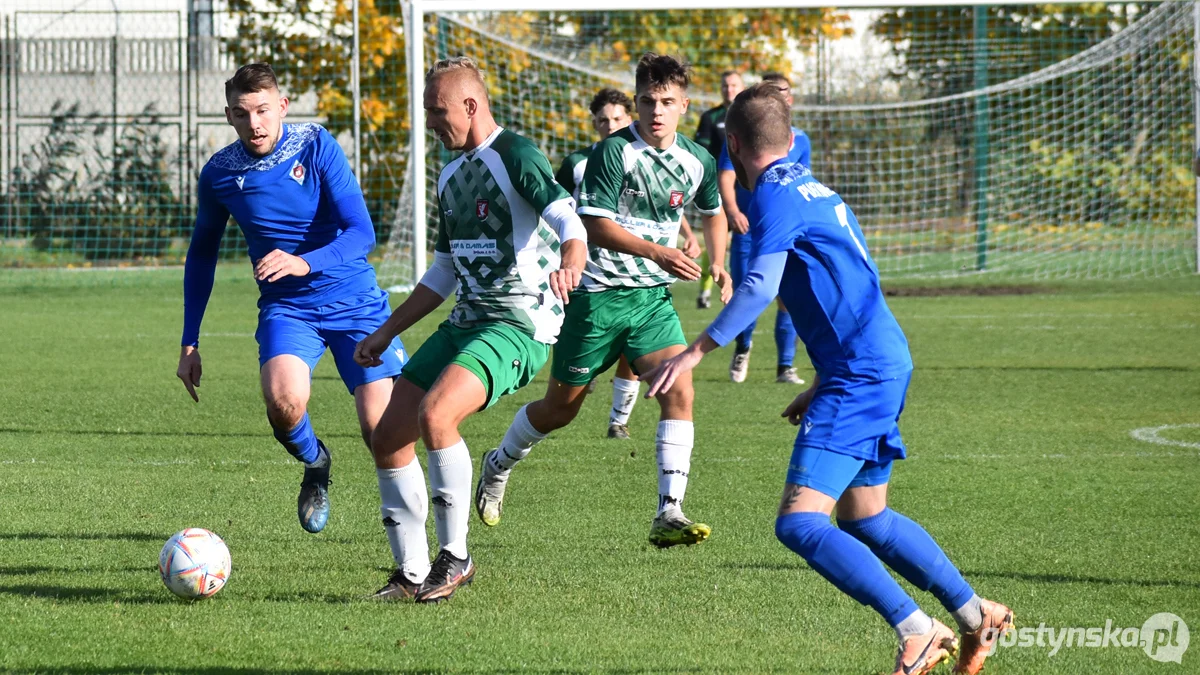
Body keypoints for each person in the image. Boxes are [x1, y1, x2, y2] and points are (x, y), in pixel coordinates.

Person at [642, 83, 1013, 675]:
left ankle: (917, 629)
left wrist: (694, 351)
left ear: (732, 145)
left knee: (799, 523)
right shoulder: (815, 188)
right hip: (879, 359)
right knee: (868, 519)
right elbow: (849, 284)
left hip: (861, 374)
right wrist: (823, 376)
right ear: (790, 140)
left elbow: (760, 287)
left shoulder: (772, 200)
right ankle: (976, 616)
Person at [474, 53, 731, 549]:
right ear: (636, 103)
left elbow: (712, 211)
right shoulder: (614, 153)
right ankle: (498, 463)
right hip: (595, 300)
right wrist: (659, 250)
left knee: (680, 390)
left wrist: (718, 260)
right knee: (559, 409)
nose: (656, 111)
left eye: (667, 102)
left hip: (650, 302)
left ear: (684, 106)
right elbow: (594, 225)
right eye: (647, 101)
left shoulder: (698, 158)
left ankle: (669, 509)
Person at [354, 56, 586, 603]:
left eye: (439, 113)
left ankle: (455, 558)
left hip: (517, 322)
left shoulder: (517, 155)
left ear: (470, 105)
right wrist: (387, 332)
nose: (432, 125)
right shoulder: (451, 174)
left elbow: (568, 221)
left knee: (437, 416)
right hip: (466, 321)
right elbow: (443, 271)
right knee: (387, 436)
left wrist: (571, 260)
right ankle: (410, 575)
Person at [178, 63, 405, 535]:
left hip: (355, 301)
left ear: (281, 106)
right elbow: (201, 256)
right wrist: (190, 341)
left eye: (263, 110)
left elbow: (362, 233)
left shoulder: (317, 145)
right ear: (228, 116)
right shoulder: (219, 174)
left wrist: (306, 261)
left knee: (380, 432)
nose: (254, 123)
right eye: (242, 114)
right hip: (289, 309)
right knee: (283, 403)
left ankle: (412, 544)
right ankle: (316, 464)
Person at [556, 87, 701, 440]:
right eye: (603, 120)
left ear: (629, 117)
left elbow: (660, 202)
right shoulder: (578, 163)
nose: (610, 125)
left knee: (637, 356)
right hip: (593, 277)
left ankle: (618, 420)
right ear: (594, 124)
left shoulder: (647, 156)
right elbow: (556, 209)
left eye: (617, 118)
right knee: (561, 402)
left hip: (643, 279)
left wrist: (687, 232)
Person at [719, 72, 808, 385]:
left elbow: (801, 181)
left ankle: (785, 367)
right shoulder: (743, 132)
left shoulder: (801, 140)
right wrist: (732, 211)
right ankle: (743, 346)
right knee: (749, 291)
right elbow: (727, 176)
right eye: (772, 91)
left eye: (783, 91)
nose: (779, 96)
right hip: (748, 226)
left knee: (788, 295)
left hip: (783, 229)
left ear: (790, 98)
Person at [694, 70, 744, 310]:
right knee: (718, 239)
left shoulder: (748, 116)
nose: (729, 89)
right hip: (717, 186)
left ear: (741, 87)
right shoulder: (710, 117)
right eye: (725, 85)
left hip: (745, 186)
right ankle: (705, 289)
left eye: (734, 85)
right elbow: (700, 153)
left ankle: (744, 287)